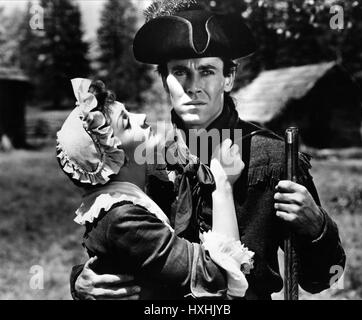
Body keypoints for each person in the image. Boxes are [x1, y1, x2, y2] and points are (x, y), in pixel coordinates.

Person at [71, 0, 346, 300]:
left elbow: (319, 280)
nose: (193, 87)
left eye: (207, 71)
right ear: (164, 80)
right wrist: (81, 281)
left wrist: (316, 226)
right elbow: (118, 237)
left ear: (228, 78)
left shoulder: (275, 159)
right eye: (180, 72)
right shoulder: (145, 156)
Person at [58, 78, 255, 299]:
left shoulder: (136, 187)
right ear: (115, 157)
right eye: (126, 123)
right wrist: (223, 186)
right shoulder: (122, 216)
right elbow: (215, 278)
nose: (141, 117)